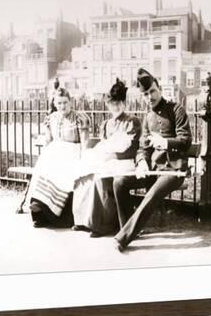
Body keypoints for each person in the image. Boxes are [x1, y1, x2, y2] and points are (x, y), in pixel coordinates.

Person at [113, 68, 192, 252]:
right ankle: (127, 228)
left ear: (160, 89)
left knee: (152, 194)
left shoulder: (176, 110)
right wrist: (141, 162)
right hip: (153, 170)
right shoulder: (148, 117)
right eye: (146, 94)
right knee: (119, 183)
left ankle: (123, 238)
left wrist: (164, 142)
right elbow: (143, 148)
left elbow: (185, 140)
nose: (150, 97)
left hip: (173, 170)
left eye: (152, 91)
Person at [72, 79, 141, 237]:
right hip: (109, 160)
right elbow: (103, 146)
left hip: (125, 161)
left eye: (118, 104)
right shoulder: (106, 124)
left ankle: (103, 224)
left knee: (99, 176)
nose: (115, 107)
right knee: (84, 173)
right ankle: (83, 220)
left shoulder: (132, 122)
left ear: (124, 103)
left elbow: (132, 150)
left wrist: (113, 155)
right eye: (112, 104)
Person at [27, 87, 90, 228]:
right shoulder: (52, 118)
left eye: (65, 102)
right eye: (59, 103)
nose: (62, 106)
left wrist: (85, 159)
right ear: (55, 103)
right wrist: (47, 130)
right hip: (56, 152)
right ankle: (40, 211)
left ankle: (56, 213)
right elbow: (49, 140)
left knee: (61, 172)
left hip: (73, 152)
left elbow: (85, 142)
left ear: (71, 102)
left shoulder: (79, 117)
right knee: (45, 167)